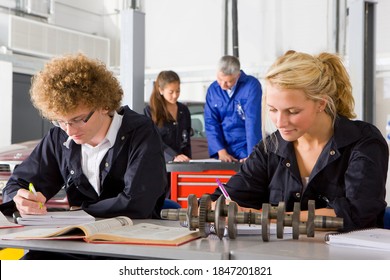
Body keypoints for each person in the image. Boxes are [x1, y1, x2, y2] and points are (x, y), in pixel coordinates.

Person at [1, 54, 168, 258]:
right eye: (60, 121)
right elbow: (18, 183)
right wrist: (20, 198)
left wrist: (77, 212)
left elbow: (136, 202)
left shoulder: (141, 132)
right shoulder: (58, 136)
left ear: (104, 105)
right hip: (75, 243)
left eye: (78, 120)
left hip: (129, 245)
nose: (69, 131)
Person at [211, 50, 388, 232]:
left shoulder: (364, 142)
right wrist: (218, 207)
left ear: (321, 103)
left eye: (293, 112)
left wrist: (266, 218)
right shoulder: (270, 148)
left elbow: (358, 212)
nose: (280, 122)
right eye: (273, 110)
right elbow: (227, 197)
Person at [204, 55, 262, 162]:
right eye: (220, 79)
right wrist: (220, 151)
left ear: (238, 76)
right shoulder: (213, 90)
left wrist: (252, 155)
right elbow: (211, 122)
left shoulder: (251, 86)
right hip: (223, 150)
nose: (222, 85)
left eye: (228, 82)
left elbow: (252, 121)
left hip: (246, 147)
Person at [144, 70, 192, 163]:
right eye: (171, 92)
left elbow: (187, 142)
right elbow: (152, 140)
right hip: (160, 165)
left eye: (178, 91)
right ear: (161, 90)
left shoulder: (184, 110)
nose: (175, 95)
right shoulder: (150, 111)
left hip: (182, 165)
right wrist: (173, 156)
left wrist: (189, 162)